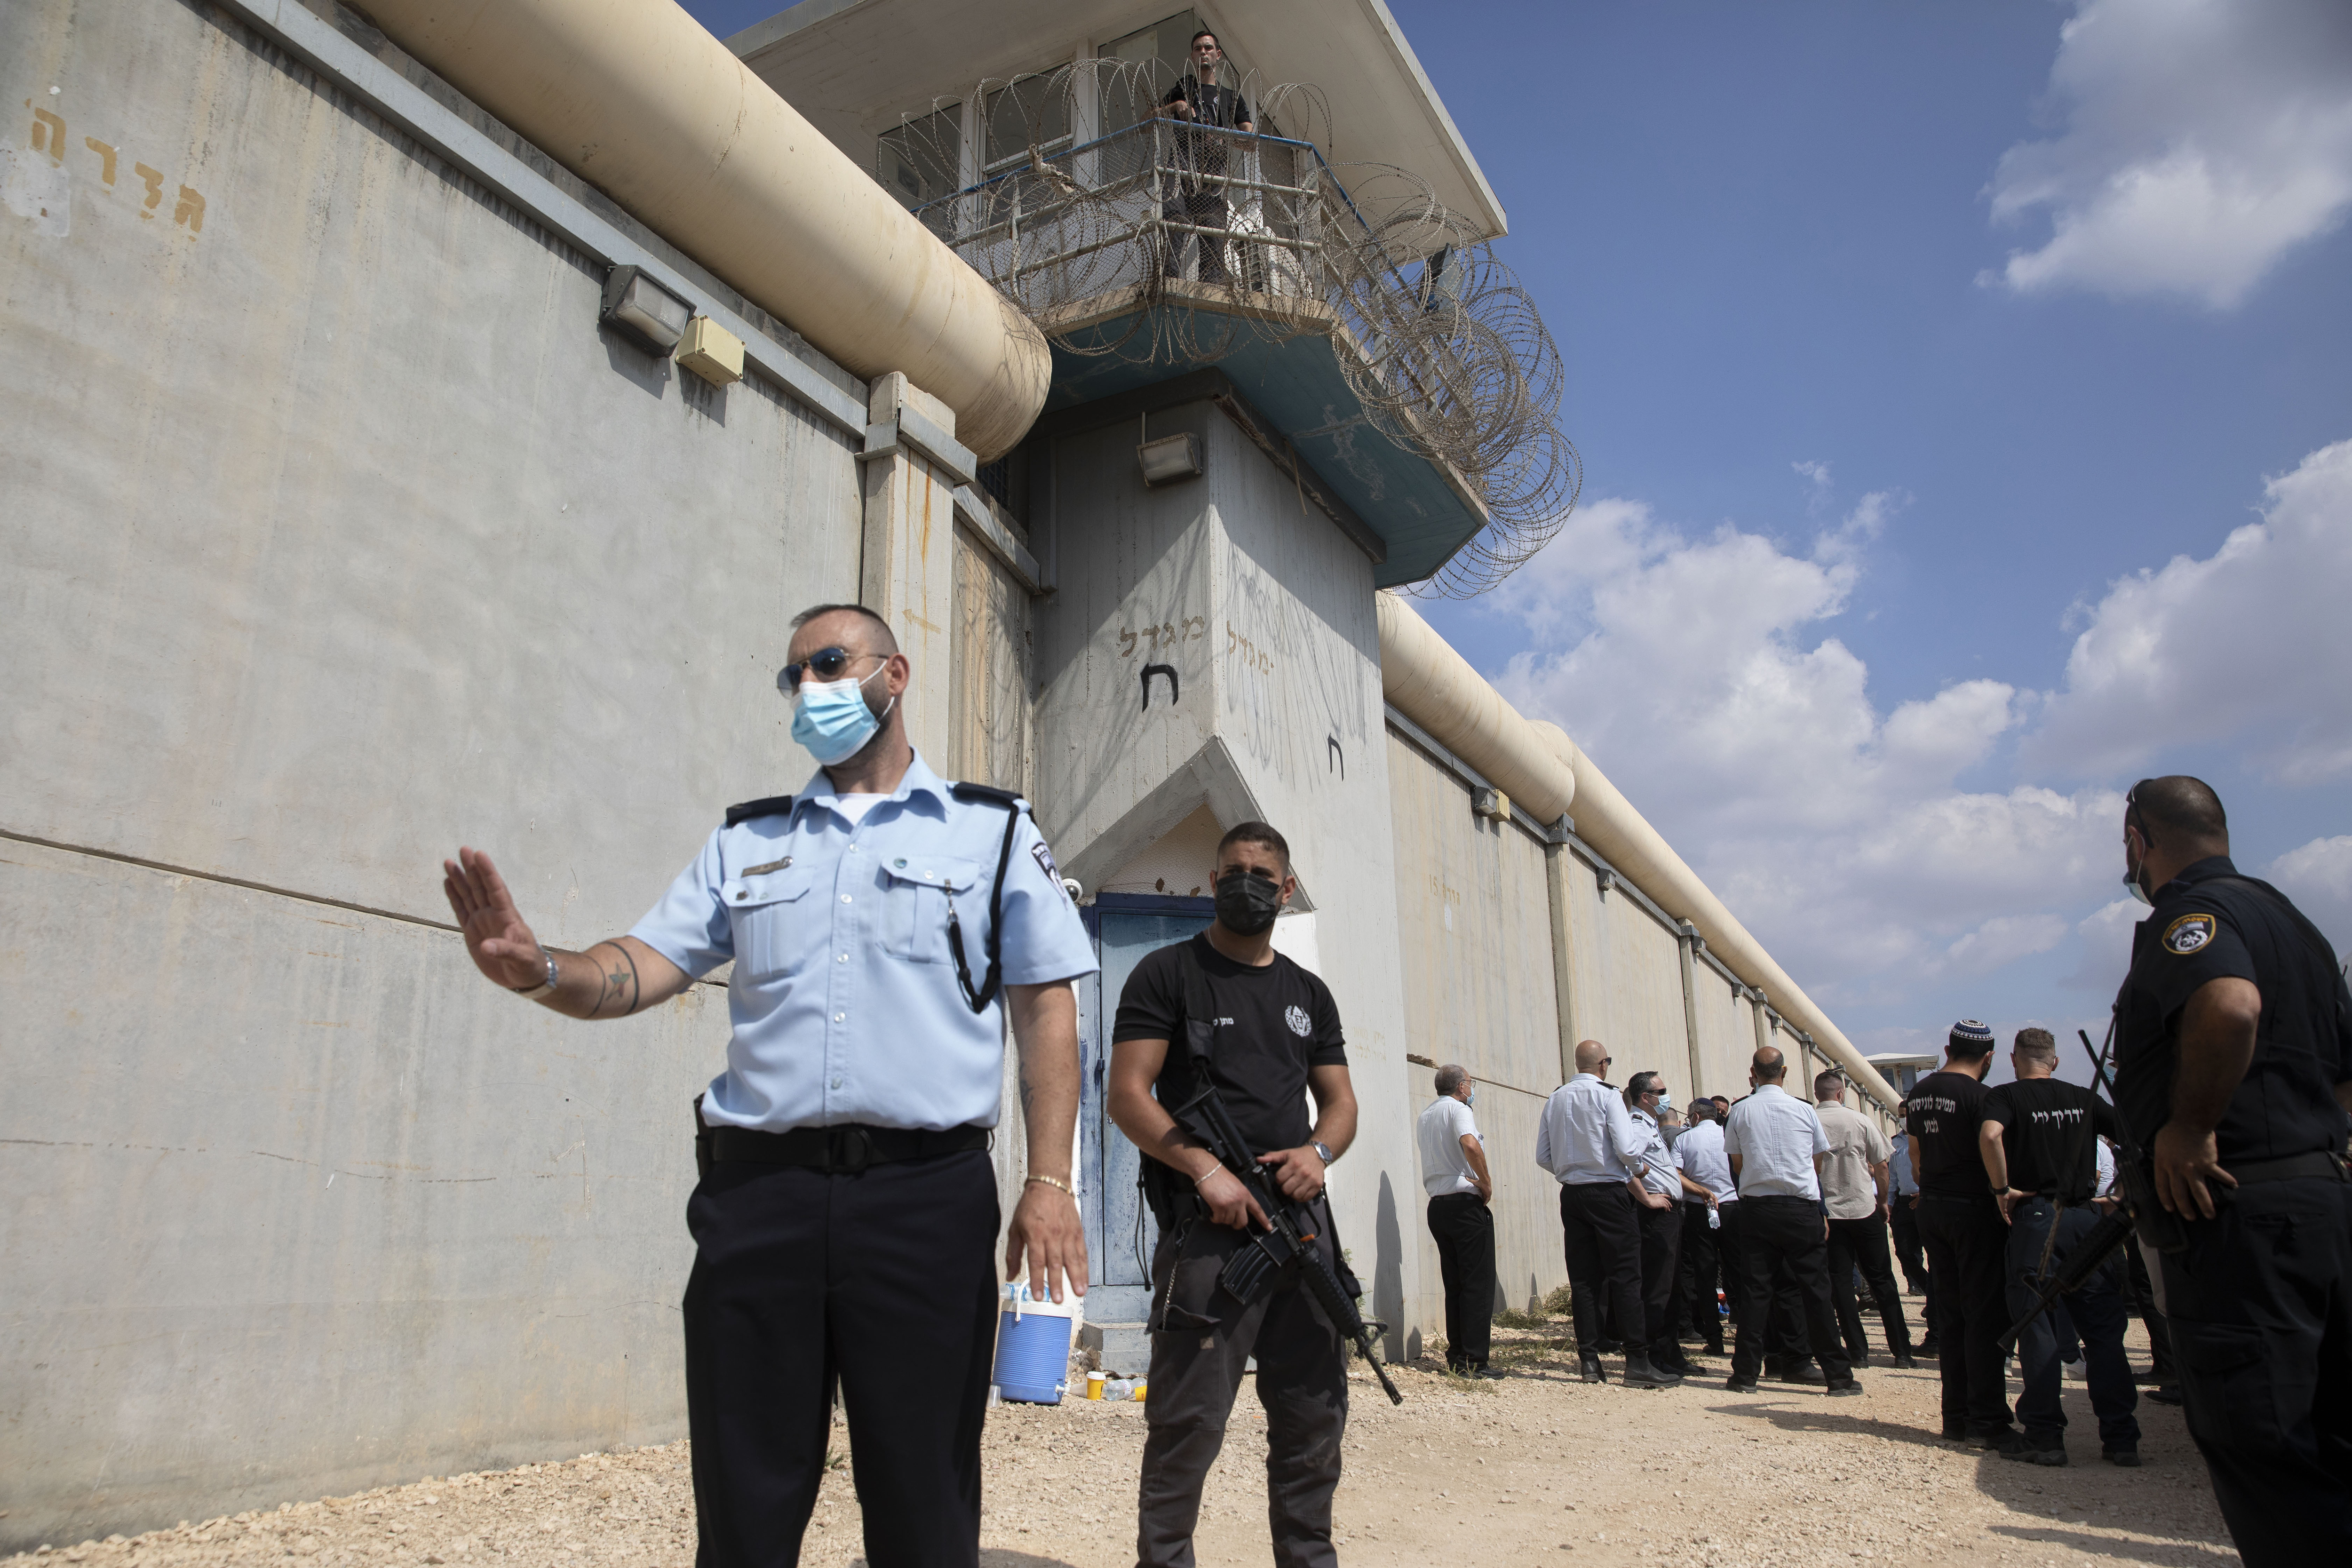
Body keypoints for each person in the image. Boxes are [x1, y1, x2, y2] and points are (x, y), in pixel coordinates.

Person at [439, 604, 1095, 1568]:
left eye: (830, 663)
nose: (811, 689)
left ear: (895, 673)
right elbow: (643, 963)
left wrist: (1049, 1184)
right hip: (760, 1205)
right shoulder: (746, 843)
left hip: (924, 1203)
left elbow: (1046, 1011)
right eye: (794, 677)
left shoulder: (989, 832)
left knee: (923, 1504)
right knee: (744, 1503)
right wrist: (542, 968)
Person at [2108, 776, 2352, 1563]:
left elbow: (2230, 1004)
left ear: (2140, 838)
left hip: (2239, 1215)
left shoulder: (2189, 914)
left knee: (2266, 1442)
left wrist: (2192, 1125)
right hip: (2320, 1203)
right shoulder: (2296, 924)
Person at [1106, 820, 1359, 1568]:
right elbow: (1128, 1095)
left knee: (1315, 1418)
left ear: (1287, 889)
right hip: (1211, 1234)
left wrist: (1319, 1152)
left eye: (1263, 872)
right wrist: (1204, 1169)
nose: (1248, 881)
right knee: (1188, 1425)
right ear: (1211, 882)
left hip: (1302, 1225)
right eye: (1234, 870)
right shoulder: (1167, 974)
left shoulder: (1309, 993)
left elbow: (1340, 1104)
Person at [1979, 1027, 2140, 1468]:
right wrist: (2121, 1193)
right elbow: (2135, 1135)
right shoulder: (2083, 1096)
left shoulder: (2005, 1097)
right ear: (2055, 1060)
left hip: (2036, 1217)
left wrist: (2001, 1188)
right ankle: (2122, 1437)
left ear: (2015, 1059)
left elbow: (1992, 1136)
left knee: (2038, 1326)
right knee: (2105, 1332)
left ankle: (2047, 1436)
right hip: (2088, 1217)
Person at [1536, 1040, 1679, 1386]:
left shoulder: (1556, 1097)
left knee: (1584, 1279)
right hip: (1609, 1192)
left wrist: (1572, 1170)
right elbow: (1628, 1146)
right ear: (1602, 1064)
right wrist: (1638, 1168)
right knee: (1626, 1275)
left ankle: (1589, 1361)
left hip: (1573, 1193)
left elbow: (1543, 1155)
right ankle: (1637, 1361)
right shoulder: (1609, 1095)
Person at [1720, 1048, 1861, 1396]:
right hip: (1801, 1208)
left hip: (1758, 1208)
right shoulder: (1804, 1110)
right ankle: (1838, 1376)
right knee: (1816, 1291)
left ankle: (1745, 1375)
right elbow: (1817, 1161)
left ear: (1753, 1072)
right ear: (1784, 1071)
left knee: (1756, 1293)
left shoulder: (1739, 1111)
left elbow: (1737, 1164)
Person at [1907, 1020, 2018, 1450]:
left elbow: (1915, 1158)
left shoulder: (1920, 1092)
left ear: (1949, 1047)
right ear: (1988, 1057)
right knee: (1984, 1315)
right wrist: (2001, 1191)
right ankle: (1988, 1419)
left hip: (1932, 1207)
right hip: (1972, 1209)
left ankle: (1955, 1416)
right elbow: (1993, 1145)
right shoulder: (1984, 1097)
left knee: (1950, 1315)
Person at [1814, 1071, 1917, 1369]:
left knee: (1841, 1284)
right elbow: (1882, 1166)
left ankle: (1858, 1352)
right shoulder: (1859, 1121)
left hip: (1829, 1214)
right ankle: (1902, 1351)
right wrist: (1883, 1202)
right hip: (1862, 1207)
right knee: (1883, 1279)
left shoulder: (1810, 1121)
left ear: (1818, 1094)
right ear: (1841, 1093)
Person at [1628, 1073, 1718, 1376]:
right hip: (1657, 1214)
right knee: (1657, 1288)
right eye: (1661, 1091)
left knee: (1672, 1285)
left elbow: (1667, 1173)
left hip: (1672, 1213)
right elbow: (1623, 1164)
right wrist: (1646, 1199)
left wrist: (1701, 1191)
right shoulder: (1637, 1126)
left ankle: (1670, 1352)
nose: (1666, 1095)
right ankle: (1653, 1356)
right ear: (1646, 1097)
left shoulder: (1651, 1126)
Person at [1419, 1064, 1501, 1378]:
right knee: (1477, 1284)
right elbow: (1469, 1143)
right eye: (1470, 1083)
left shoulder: (1426, 1115)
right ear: (1462, 1086)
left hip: (1438, 1205)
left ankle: (1457, 1356)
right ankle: (1476, 1361)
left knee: (1454, 1284)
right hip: (1464, 1204)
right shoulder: (1458, 1109)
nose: (1471, 1089)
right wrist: (1486, 1181)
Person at [1158, 30, 1254, 286]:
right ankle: (1170, 282)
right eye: (1198, 48)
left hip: (1212, 172)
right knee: (1174, 220)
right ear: (1192, 55)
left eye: (1208, 48)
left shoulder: (1229, 97)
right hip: (1181, 166)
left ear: (1218, 55)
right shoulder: (1184, 87)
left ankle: (1211, 288)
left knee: (1212, 231)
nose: (1204, 53)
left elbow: (1250, 139)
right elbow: (1150, 116)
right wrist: (1175, 107)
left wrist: (1224, 138)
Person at [1674, 1098, 1733, 1356]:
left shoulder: (1684, 1140)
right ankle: (1750, 1335)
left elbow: (1676, 1174)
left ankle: (1715, 1339)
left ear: (1695, 1117)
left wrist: (1701, 1191)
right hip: (1732, 1208)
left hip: (1699, 1209)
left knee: (1705, 1275)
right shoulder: (1730, 1136)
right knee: (1739, 1271)